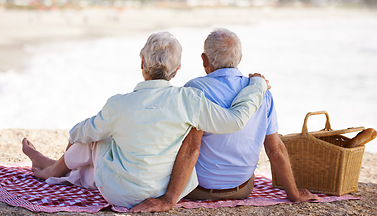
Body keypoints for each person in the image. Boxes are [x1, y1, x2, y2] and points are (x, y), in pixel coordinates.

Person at [22, 31, 269, 208]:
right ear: (178, 69)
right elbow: (235, 120)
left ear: (142, 64)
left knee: (96, 137)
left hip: (119, 195)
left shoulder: (118, 104)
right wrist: (257, 84)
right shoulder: (189, 100)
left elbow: (80, 134)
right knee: (103, 140)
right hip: (164, 189)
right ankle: (52, 168)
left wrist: (76, 131)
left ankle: (52, 170)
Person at [131, 28, 318, 213]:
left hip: (197, 189)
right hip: (242, 189)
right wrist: (294, 194)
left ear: (204, 60)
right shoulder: (262, 93)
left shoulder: (194, 89)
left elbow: (191, 148)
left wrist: (168, 199)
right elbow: (275, 149)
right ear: (240, 59)